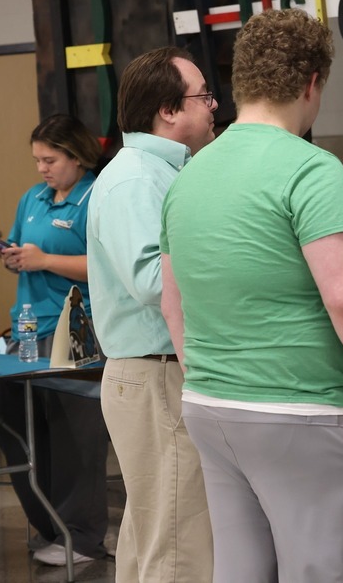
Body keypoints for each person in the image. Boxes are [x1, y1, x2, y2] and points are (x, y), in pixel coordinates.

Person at [159, 8, 343, 583]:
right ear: (311, 83)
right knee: (316, 571)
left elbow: (174, 304)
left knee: (241, 571)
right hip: (301, 409)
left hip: (211, 404)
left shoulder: (189, 177)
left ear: (238, 82)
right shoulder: (312, 170)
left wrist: (218, 375)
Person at [86, 46, 216, 582]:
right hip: (156, 373)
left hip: (158, 373)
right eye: (204, 96)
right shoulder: (138, 179)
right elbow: (149, 281)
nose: (214, 106)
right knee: (180, 546)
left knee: (154, 537)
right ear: (168, 109)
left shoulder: (161, 173)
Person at [0, 114, 108, 566]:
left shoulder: (96, 196)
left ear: (77, 156)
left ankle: (83, 538)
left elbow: (105, 266)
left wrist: (45, 261)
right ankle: (50, 525)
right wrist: (15, 258)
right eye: (37, 159)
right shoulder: (33, 198)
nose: (42, 168)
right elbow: (27, 250)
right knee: (16, 429)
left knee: (74, 439)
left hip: (79, 332)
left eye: (51, 159)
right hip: (28, 330)